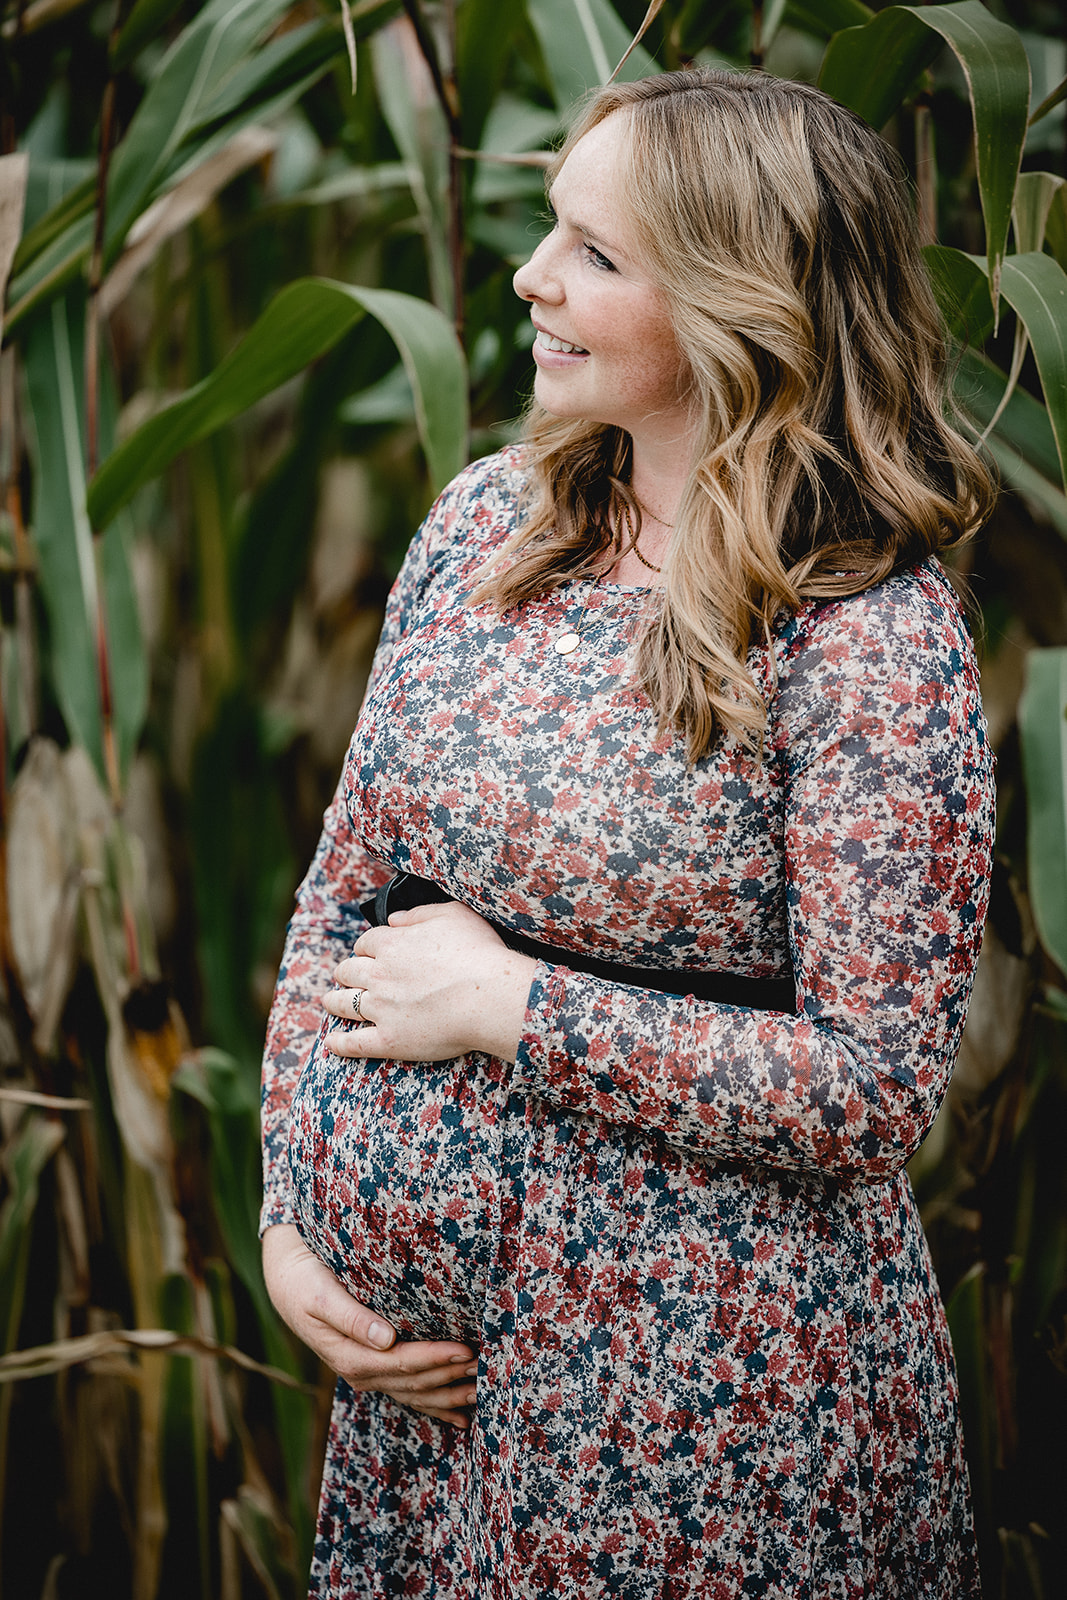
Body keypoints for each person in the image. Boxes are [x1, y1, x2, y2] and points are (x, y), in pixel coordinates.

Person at [260, 66, 995, 1600]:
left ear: (744, 308)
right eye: (547, 230)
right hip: (436, 1417)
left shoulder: (861, 636)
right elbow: (343, 893)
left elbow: (870, 1088)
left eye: (595, 254)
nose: (531, 278)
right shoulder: (489, 525)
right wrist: (293, 1221)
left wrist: (511, 1005)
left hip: (693, 1406)